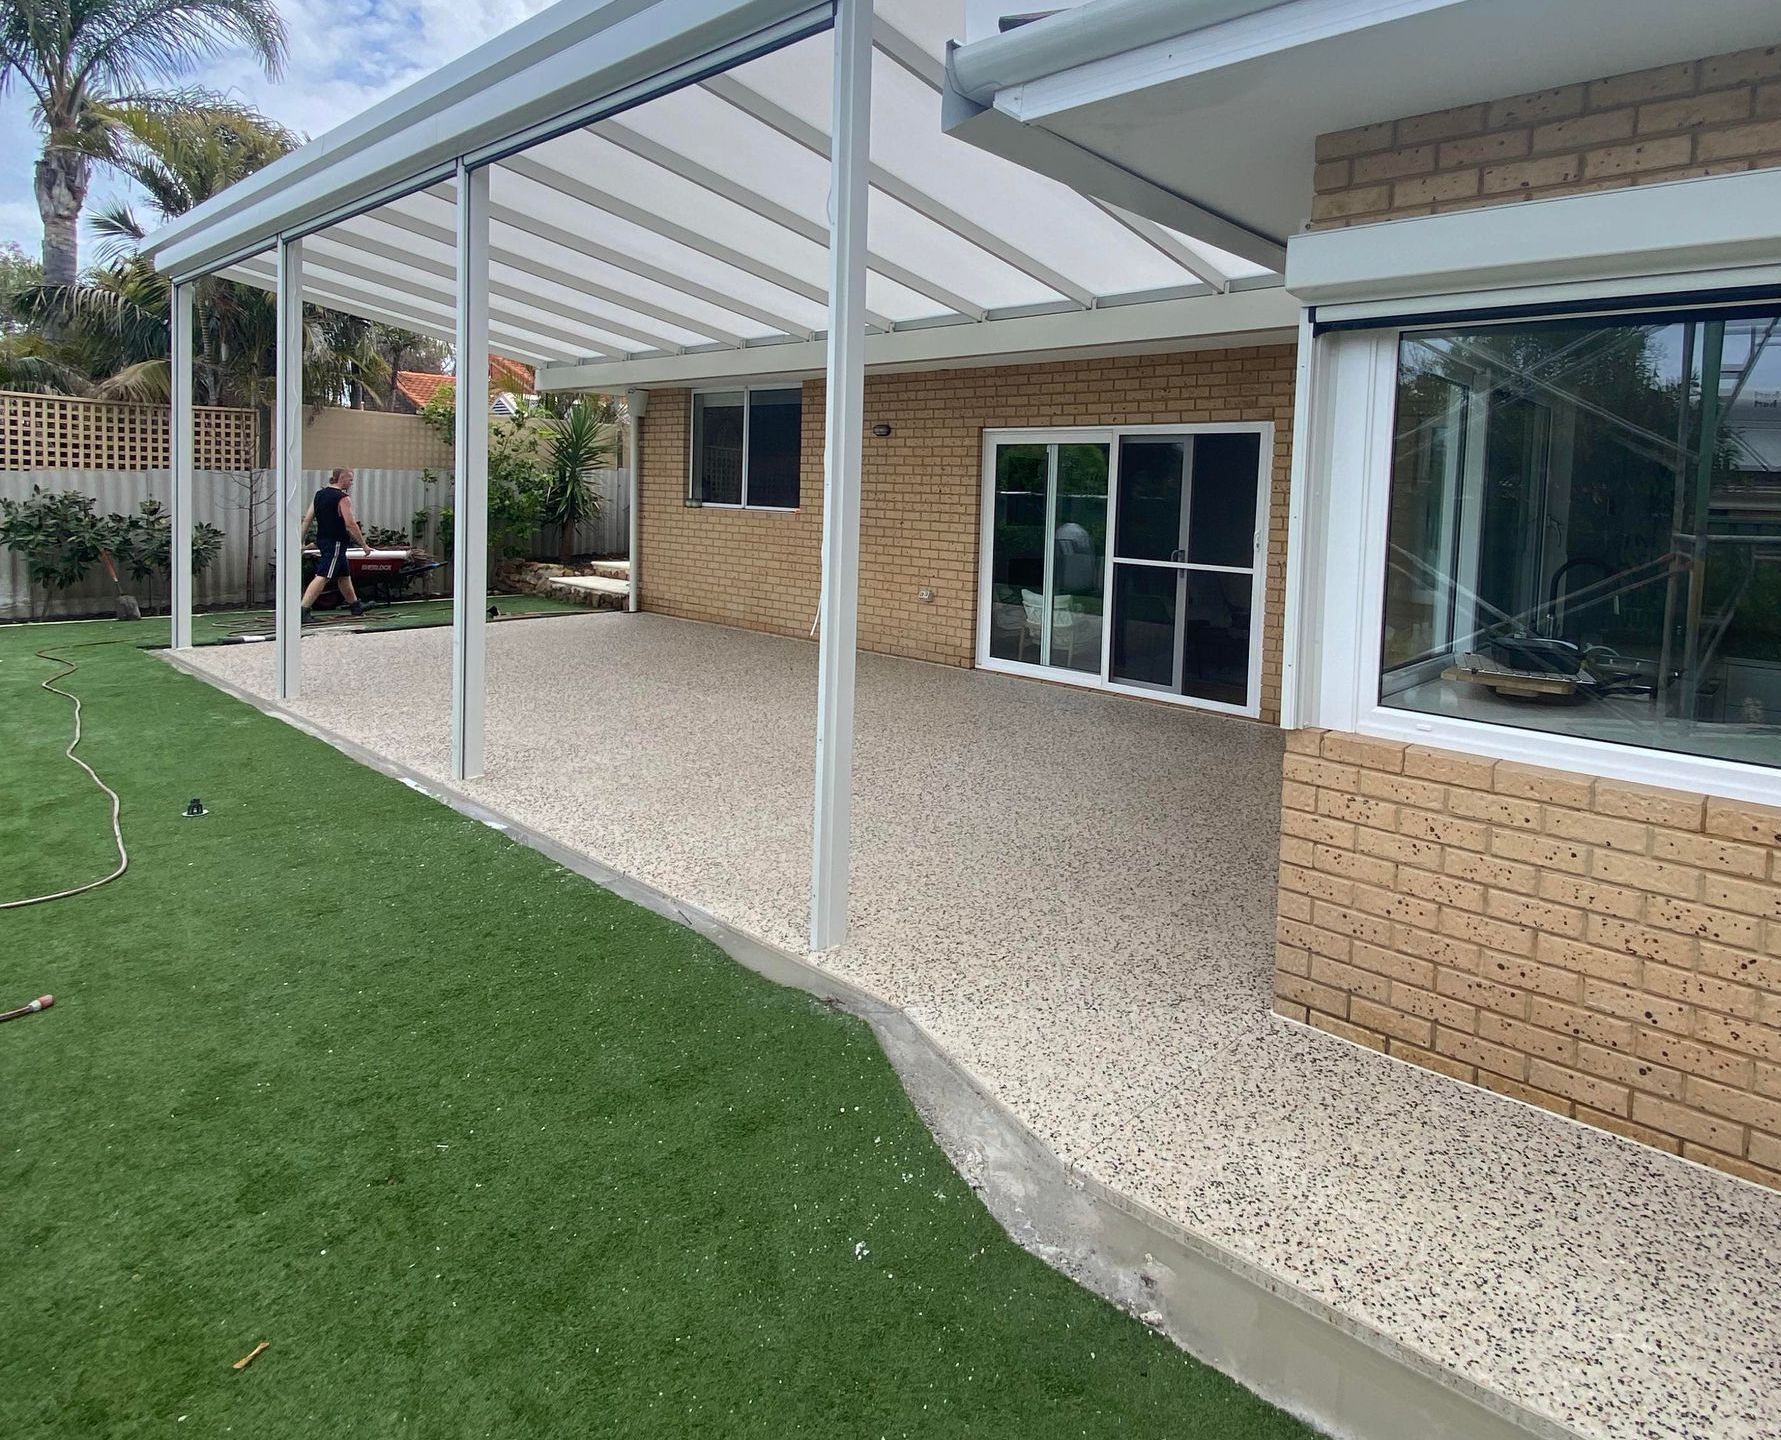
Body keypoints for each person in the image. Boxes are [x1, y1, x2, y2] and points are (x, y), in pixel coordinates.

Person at [299, 468, 372, 623]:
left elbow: (307, 519)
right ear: (341, 479)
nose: (352, 483)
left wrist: (300, 540)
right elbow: (350, 524)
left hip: (324, 540)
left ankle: (355, 606)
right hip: (336, 543)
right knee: (323, 576)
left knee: (344, 576)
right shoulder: (342, 498)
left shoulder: (319, 495)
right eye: (350, 480)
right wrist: (364, 545)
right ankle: (303, 610)